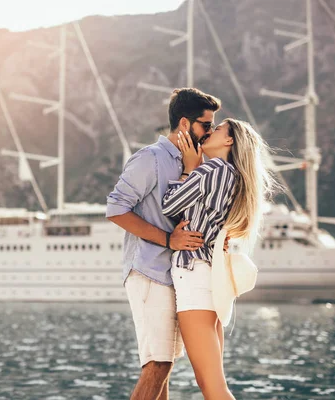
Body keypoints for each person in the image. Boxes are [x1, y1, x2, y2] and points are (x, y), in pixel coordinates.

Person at [106, 88, 222, 400]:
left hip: (175, 275)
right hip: (147, 270)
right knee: (157, 363)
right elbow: (116, 210)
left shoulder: (196, 161)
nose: (210, 131)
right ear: (185, 123)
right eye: (206, 125)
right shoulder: (150, 159)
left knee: (165, 366)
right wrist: (169, 239)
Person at [161, 118, 276, 399]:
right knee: (212, 384)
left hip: (195, 277)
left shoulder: (213, 168)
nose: (210, 132)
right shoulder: (234, 175)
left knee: (213, 387)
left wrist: (189, 168)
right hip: (209, 279)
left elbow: (168, 204)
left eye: (219, 129)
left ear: (229, 141)